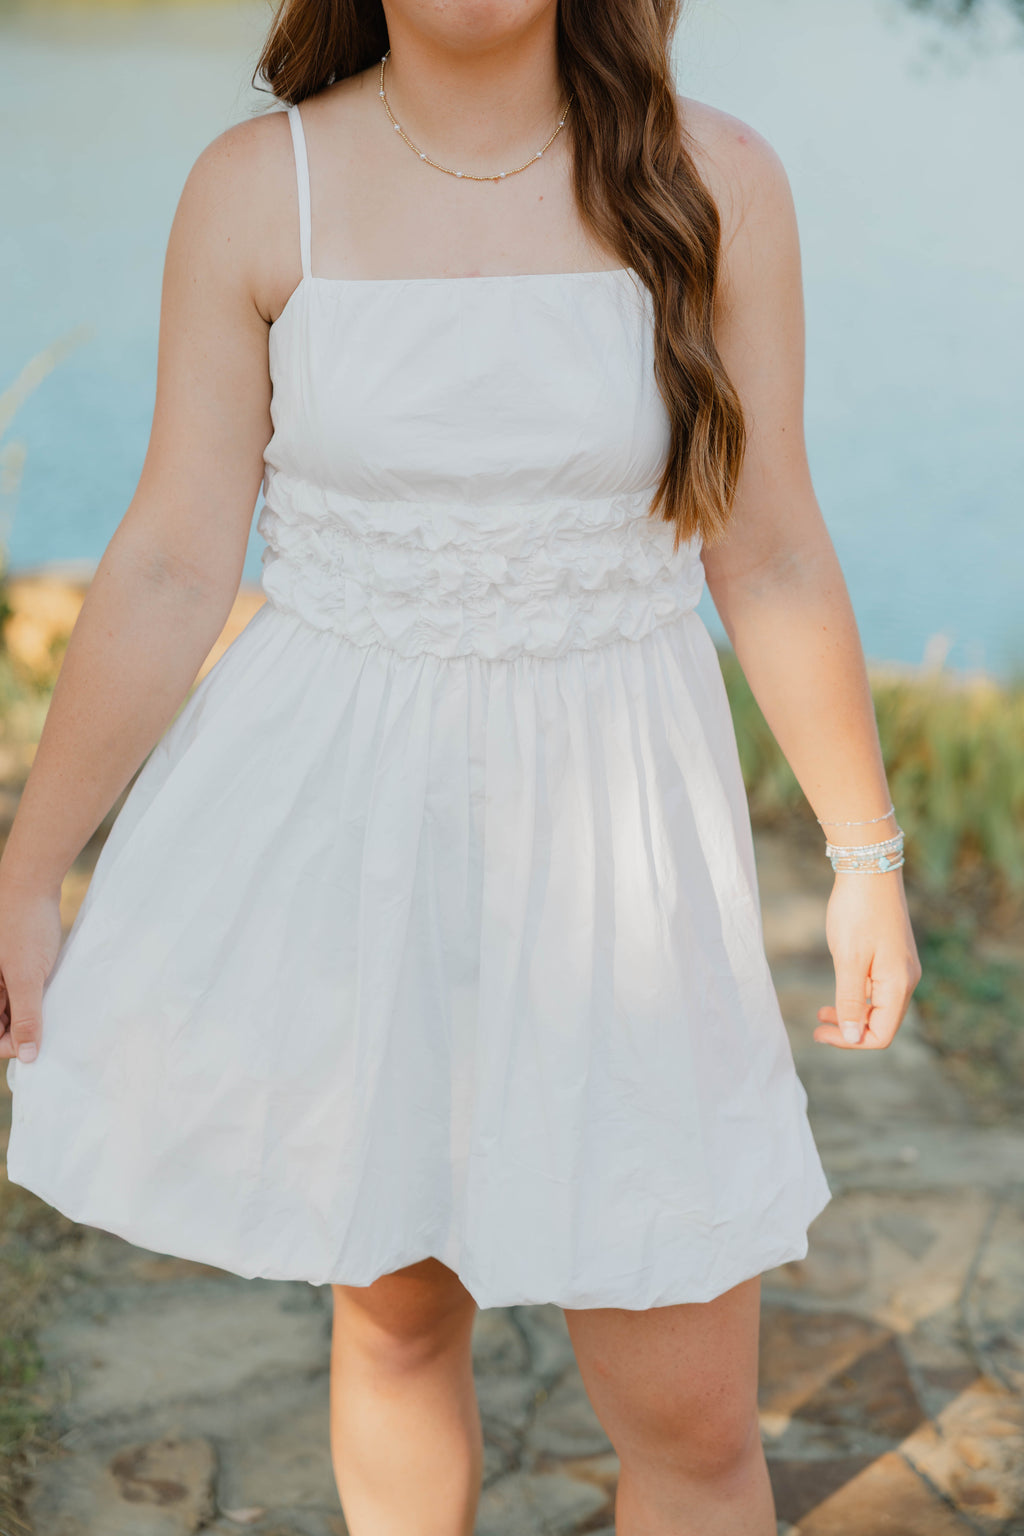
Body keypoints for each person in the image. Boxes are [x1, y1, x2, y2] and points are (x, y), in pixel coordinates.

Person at [0, 1, 922, 1531]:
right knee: (396, 1324)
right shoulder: (257, 185)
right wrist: (30, 869)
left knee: (692, 1415)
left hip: (625, 848)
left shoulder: (716, 177)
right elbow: (172, 558)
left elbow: (766, 550)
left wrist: (864, 854)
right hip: (353, 833)